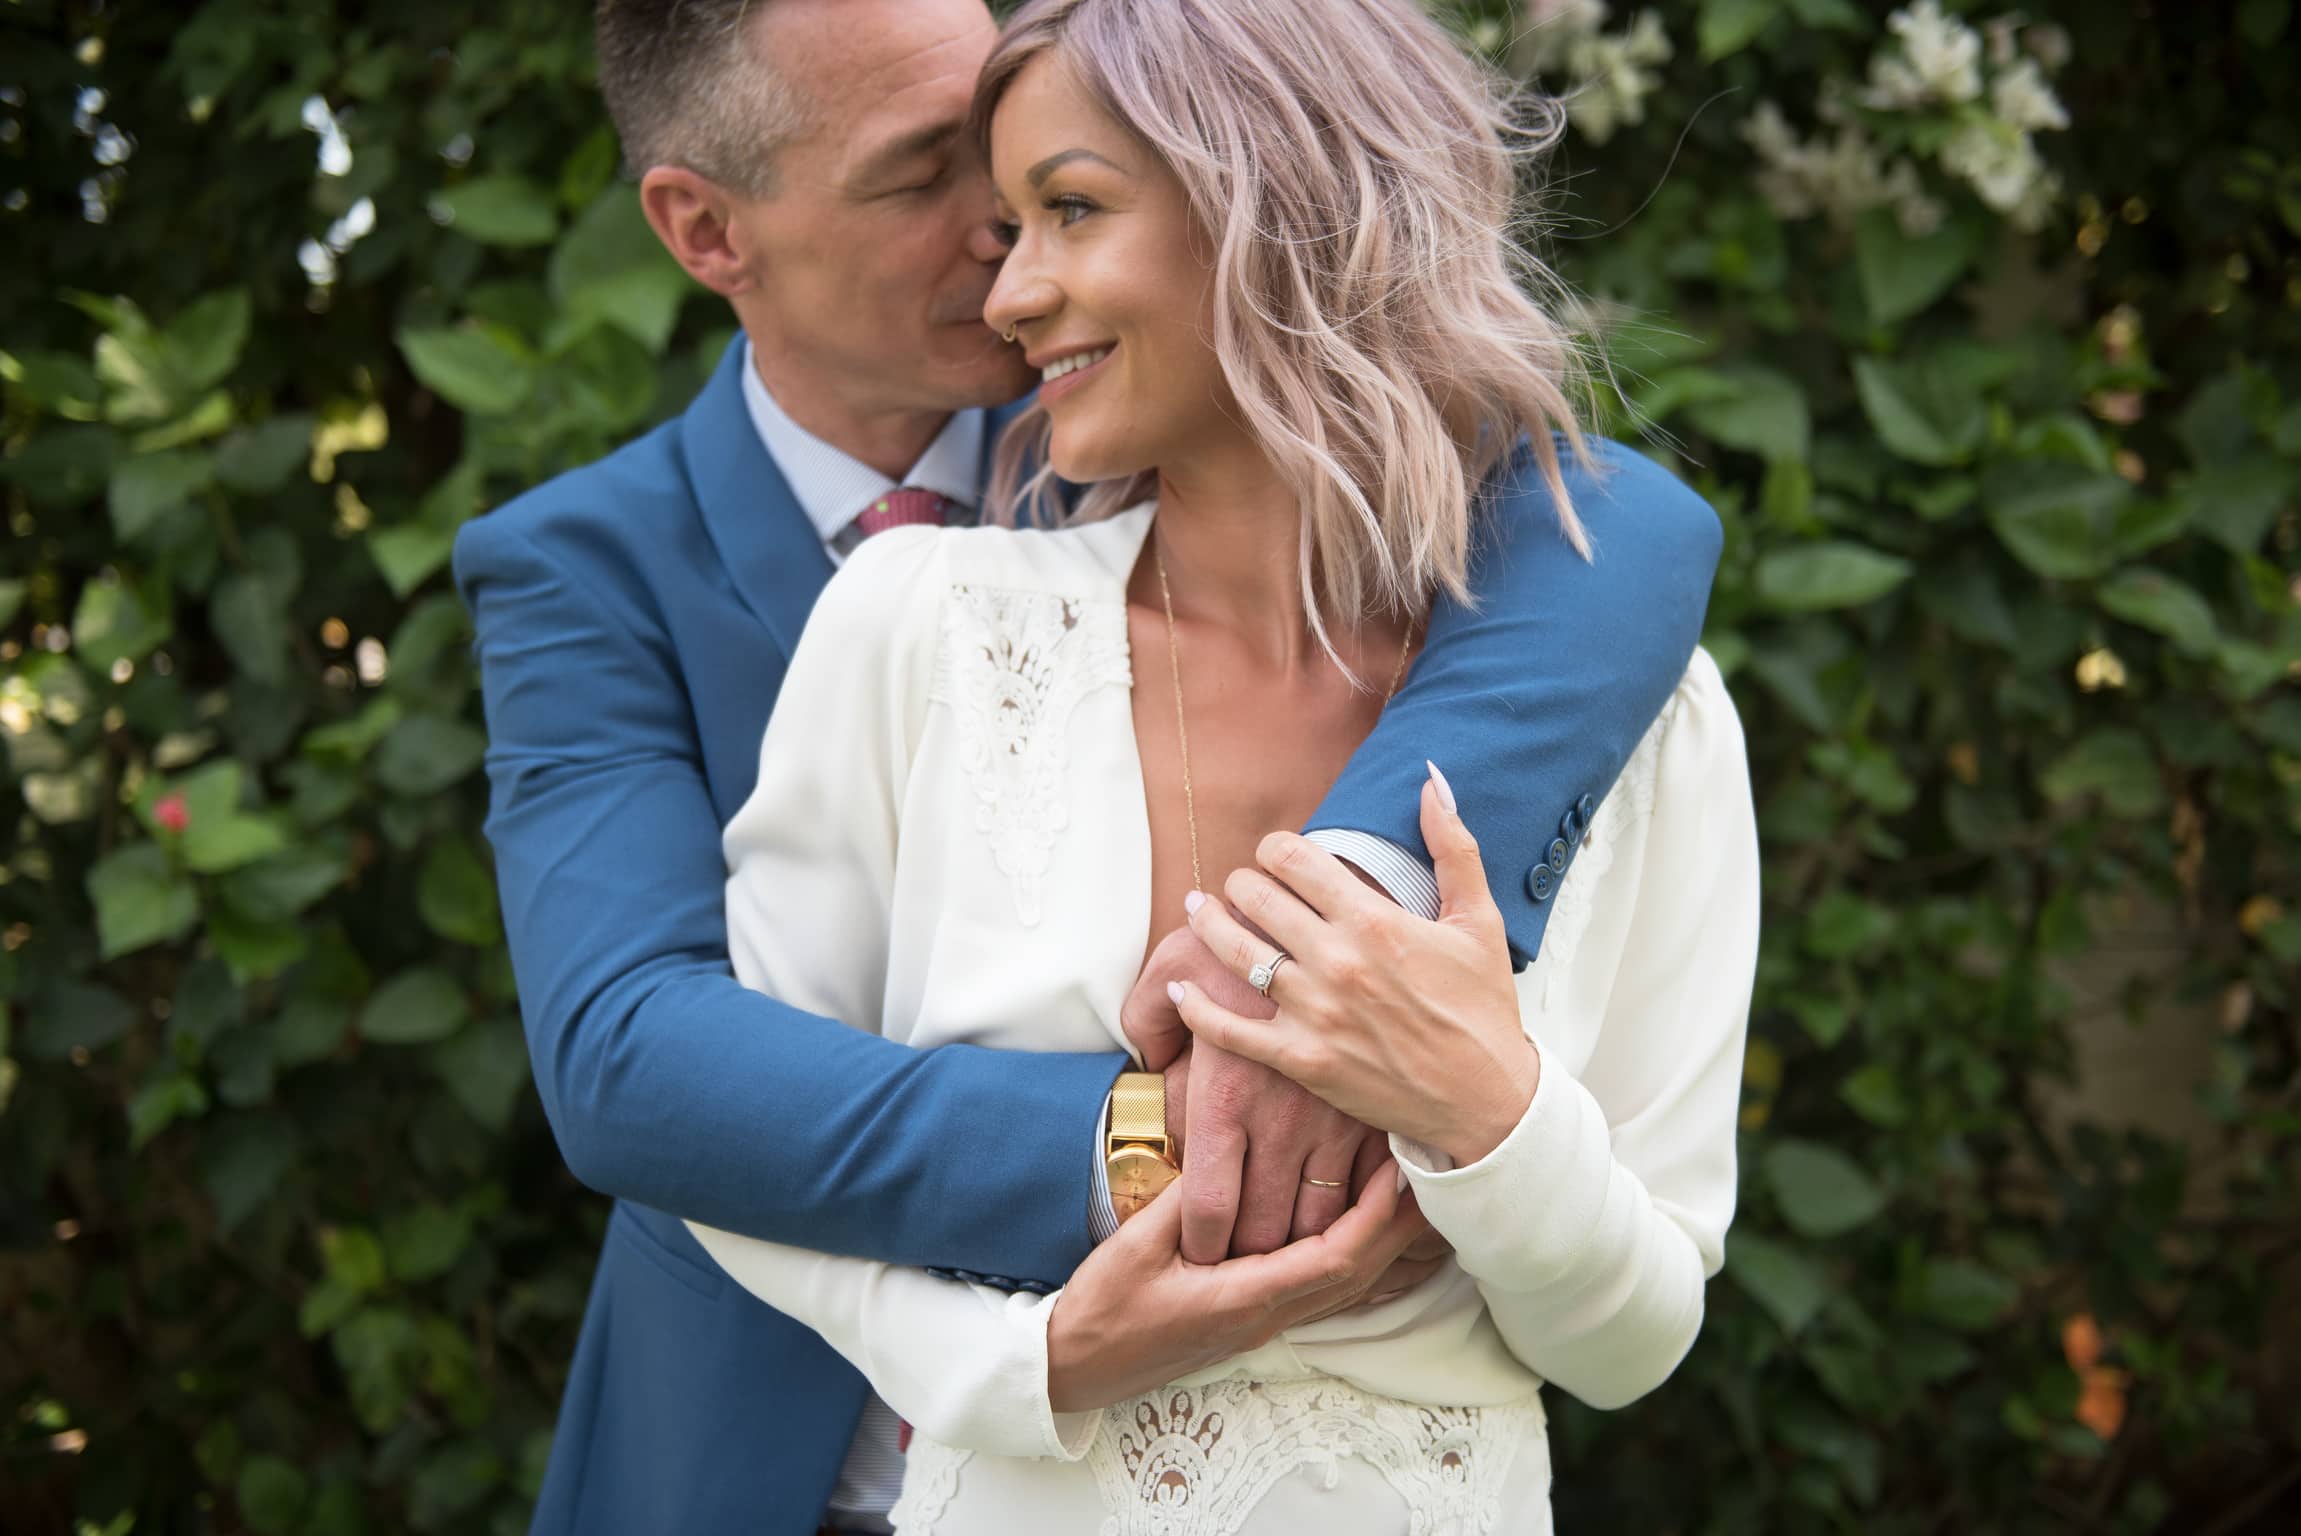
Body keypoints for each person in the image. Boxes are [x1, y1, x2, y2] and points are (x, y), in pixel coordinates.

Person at [452, 0, 1721, 1531]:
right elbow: (635, 1062)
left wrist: (1377, 977)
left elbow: (1622, 522)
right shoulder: (661, 582)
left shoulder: (1571, 606)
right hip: (786, 1471)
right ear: (707, 231)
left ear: (1265, 201)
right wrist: (1165, 1152)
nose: (1002, 264)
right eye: (931, 179)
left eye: (1046, 200)